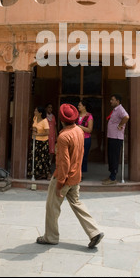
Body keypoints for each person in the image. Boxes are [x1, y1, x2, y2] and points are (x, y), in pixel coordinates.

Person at [36, 103, 104, 249]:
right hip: (76, 177)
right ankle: (94, 231)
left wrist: (60, 183)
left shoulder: (63, 136)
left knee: (52, 207)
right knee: (77, 203)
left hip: (65, 178)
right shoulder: (79, 131)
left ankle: (51, 237)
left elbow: (64, 163)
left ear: (61, 119)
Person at [103, 94, 129, 185]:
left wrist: (120, 125)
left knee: (114, 157)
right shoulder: (115, 110)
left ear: (117, 101)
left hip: (116, 137)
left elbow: (126, 117)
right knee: (111, 156)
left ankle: (113, 178)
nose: (111, 101)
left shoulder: (120, 109)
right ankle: (111, 176)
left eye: (112, 100)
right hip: (112, 136)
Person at [27, 106, 51, 180]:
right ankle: (35, 173)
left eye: (36, 111)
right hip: (35, 140)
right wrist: (33, 130)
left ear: (40, 113)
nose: (34, 112)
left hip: (42, 142)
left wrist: (37, 134)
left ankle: (46, 174)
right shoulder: (35, 118)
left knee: (43, 158)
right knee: (34, 156)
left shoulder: (44, 121)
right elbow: (34, 126)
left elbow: (47, 132)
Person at [77, 100, 93, 178]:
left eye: (80, 105)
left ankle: (81, 174)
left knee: (83, 156)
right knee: (76, 156)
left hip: (85, 139)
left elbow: (89, 130)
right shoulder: (76, 115)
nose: (78, 107)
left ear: (84, 107)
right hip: (77, 139)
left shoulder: (89, 116)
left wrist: (80, 127)